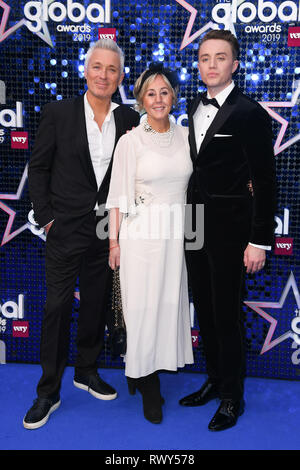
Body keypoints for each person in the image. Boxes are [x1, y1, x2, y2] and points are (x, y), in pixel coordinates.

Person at [23, 39, 140, 430]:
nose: (104, 75)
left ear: (120, 77)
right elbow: (37, 169)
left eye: (112, 69)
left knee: (95, 304)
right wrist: (47, 217)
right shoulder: (58, 113)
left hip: (107, 231)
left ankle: (86, 370)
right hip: (64, 229)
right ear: (84, 71)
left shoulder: (128, 119)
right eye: (97, 67)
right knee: (56, 307)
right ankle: (47, 391)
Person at [180, 30, 276, 431]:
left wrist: (258, 239)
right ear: (198, 64)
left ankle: (233, 397)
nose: (212, 64)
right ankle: (215, 380)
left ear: (235, 64)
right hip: (193, 226)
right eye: (205, 58)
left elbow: (265, 180)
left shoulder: (250, 112)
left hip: (232, 231)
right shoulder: (191, 104)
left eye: (221, 58)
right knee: (203, 306)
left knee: (226, 313)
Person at [106, 63, 194, 424]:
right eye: (150, 93)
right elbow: (117, 197)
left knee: (167, 305)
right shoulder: (130, 140)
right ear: (141, 99)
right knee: (142, 311)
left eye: (164, 92)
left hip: (176, 236)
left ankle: (142, 370)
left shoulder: (187, 135)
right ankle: (147, 383)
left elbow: (210, 173)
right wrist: (113, 244)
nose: (158, 99)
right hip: (140, 237)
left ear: (173, 95)